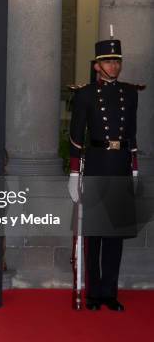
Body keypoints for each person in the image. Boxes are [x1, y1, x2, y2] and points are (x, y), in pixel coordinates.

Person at [67, 36, 139, 312]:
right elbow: (76, 138)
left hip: (120, 165)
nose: (114, 66)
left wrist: (133, 170)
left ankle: (110, 292)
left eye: (117, 62)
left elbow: (132, 135)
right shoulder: (85, 95)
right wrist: (75, 174)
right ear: (97, 66)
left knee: (114, 236)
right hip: (96, 165)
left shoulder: (129, 94)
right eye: (109, 61)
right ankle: (94, 294)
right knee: (95, 235)